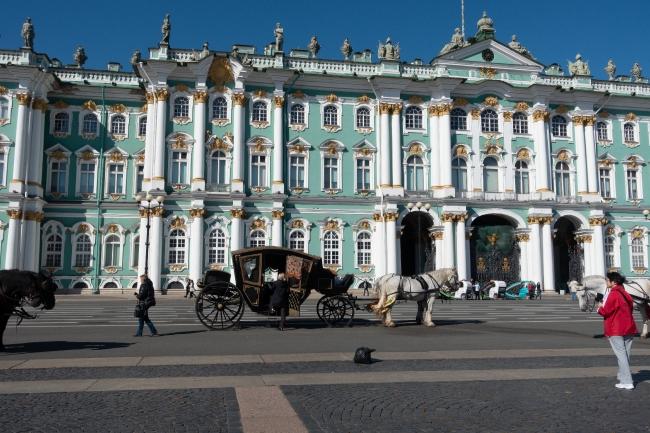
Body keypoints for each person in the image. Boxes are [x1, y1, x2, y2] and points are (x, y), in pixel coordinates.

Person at [598, 272, 638, 390]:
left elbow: (606, 311)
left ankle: (627, 381)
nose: (606, 282)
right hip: (629, 326)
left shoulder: (613, 294)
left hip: (616, 328)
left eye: (607, 280)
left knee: (621, 355)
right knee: (626, 354)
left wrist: (600, 307)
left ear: (613, 282)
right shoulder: (626, 293)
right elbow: (630, 307)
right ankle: (622, 377)